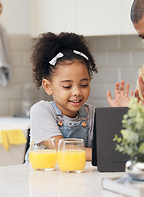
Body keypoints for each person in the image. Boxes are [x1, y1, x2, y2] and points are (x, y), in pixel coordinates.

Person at [27, 32, 98, 161]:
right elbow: (61, 148)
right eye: (67, 86)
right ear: (48, 86)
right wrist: (100, 155)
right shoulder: (42, 111)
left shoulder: (91, 114)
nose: (77, 92)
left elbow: (112, 146)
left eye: (83, 84)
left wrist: (121, 112)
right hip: (43, 179)